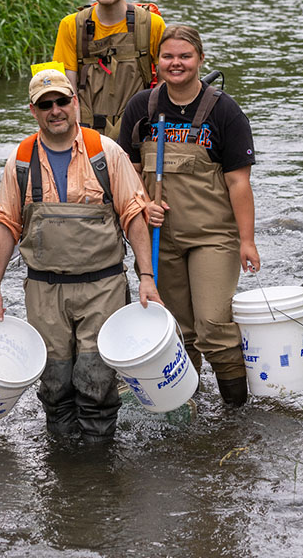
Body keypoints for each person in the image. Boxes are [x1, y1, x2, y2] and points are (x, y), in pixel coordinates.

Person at [0, 67, 160, 440]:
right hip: (44, 290)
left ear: (75, 103)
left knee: (95, 378)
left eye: (62, 101)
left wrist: (146, 278)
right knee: (55, 381)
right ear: (33, 111)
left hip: (103, 286)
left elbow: (134, 215)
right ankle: (63, 457)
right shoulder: (19, 160)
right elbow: (5, 225)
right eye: (45, 104)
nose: (55, 110)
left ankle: (96, 461)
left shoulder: (105, 152)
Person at [117, 25, 259, 407]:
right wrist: (144, 203)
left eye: (184, 56)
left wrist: (247, 240)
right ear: (157, 62)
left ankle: (236, 412)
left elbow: (239, 184)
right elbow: (124, 172)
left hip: (212, 237)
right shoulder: (141, 108)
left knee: (213, 326)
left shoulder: (223, 111)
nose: (175, 63)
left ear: (199, 59)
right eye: (168, 57)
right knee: (176, 331)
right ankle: (188, 410)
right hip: (158, 237)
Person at [52, 0, 166, 139]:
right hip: (87, 133)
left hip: (138, 134)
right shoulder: (70, 25)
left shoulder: (152, 24)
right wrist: (78, 140)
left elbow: (165, 83)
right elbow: (66, 91)